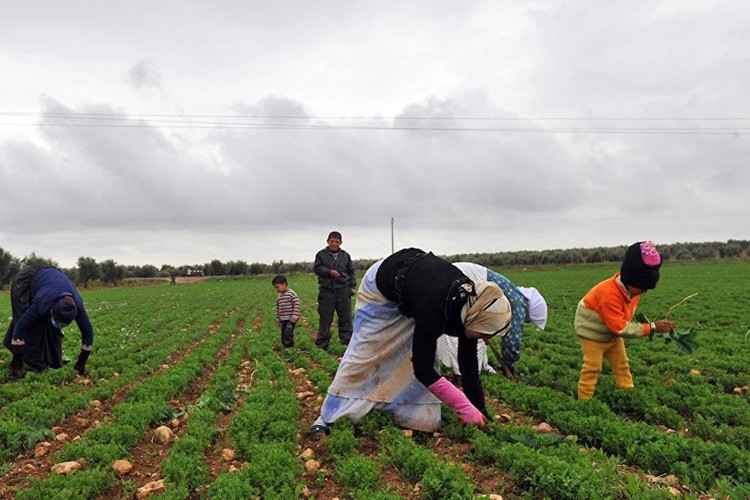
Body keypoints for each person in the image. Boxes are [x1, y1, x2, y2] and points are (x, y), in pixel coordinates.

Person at [309, 248, 513, 436]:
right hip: (380, 290)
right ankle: (329, 416)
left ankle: (405, 415)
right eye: (484, 333)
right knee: (365, 355)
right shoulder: (439, 307)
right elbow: (422, 369)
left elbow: (468, 363)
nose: (485, 339)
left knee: (409, 357)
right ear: (475, 320)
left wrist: (478, 408)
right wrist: (461, 404)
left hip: (415, 292)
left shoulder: (470, 305)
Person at [575, 241, 676, 399]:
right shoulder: (609, 294)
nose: (644, 292)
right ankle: (584, 400)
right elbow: (620, 327)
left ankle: (628, 395)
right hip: (593, 336)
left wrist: (650, 326)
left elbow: (621, 321)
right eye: (642, 288)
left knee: (622, 366)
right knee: (593, 367)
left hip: (612, 336)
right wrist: (652, 327)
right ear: (630, 280)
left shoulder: (633, 292)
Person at [437, 262, 547, 379]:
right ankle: (464, 374)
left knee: (474, 332)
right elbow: (512, 338)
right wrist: (509, 364)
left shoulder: (513, 293)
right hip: (463, 280)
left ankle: (470, 371)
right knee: (471, 334)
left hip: (454, 274)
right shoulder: (519, 305)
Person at [3, 266, 94, 379]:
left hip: (50, 282)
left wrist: (81, 362)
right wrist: (17, 361)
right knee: (34, 327)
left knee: (52, 329)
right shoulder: (42, 303)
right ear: (52, 309)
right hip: (26, 282)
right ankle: (30, 362)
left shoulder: (77, 307)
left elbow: (88, 332)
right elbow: (21, 326)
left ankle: (52, 360)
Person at [313, 231, 356, 350]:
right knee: (325, 319)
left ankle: (346, 344)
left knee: (345, 318)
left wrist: (352, 286)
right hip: (327, 291)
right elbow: (317, 268)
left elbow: (351, 272)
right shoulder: (321, 255)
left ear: (340, 242)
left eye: (337, 241)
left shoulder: (345, 256)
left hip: (343, 290)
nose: (334, 244)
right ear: (327, 241)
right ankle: (322, 345)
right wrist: (329, 272)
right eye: (332, 241)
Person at [272, 274, 301, 348]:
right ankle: (286, 347)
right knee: (283, 334)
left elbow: (297, 305)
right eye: (275, 287)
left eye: (277, 287)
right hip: (283, 320)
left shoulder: (291, 293)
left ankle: (290, 349)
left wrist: (294, 317)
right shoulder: (279, 296)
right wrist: (278, 319)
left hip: (290, 320)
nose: (276, 289)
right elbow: (278, 308)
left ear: (284, 284)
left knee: (288, 335)